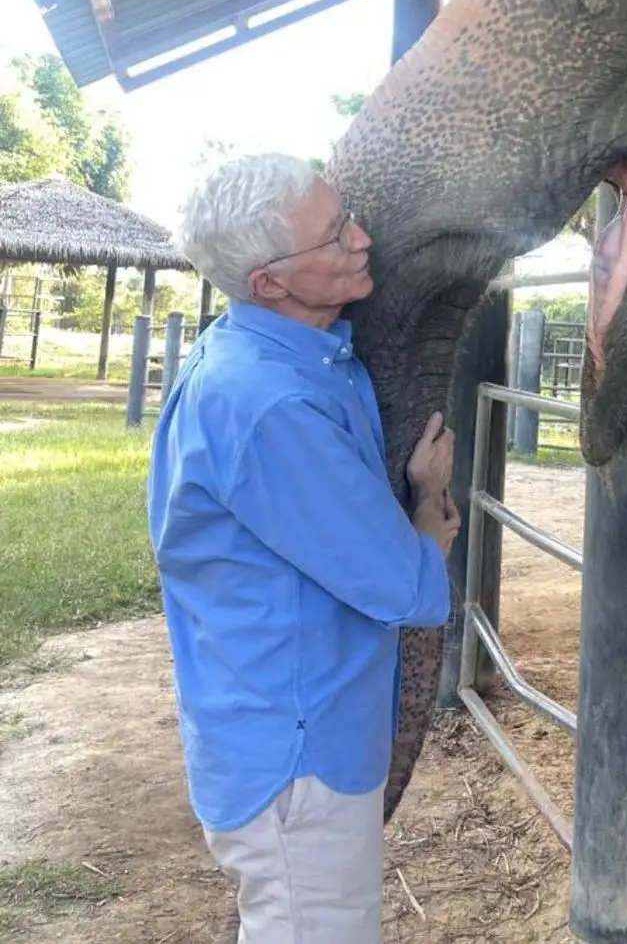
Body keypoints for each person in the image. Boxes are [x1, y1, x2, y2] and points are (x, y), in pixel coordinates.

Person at [147, 152, 460, 944]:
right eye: (334, 234)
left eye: (346, 214)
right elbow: (400, 586)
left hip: (281, 720)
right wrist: (428, 515)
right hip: (299, 756)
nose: (362, 238)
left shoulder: (284, 357)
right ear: (270, 284)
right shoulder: (270, 402)